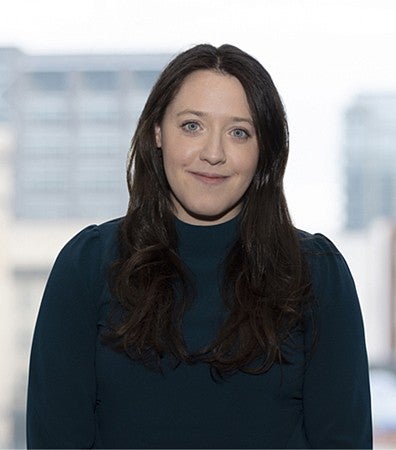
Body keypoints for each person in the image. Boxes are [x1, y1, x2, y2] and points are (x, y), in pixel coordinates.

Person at [26, 44, 372, 449]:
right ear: (157, 132)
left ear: (265, 152)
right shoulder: (86, 266)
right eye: (192, 126)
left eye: (239, 132)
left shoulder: (316, 273)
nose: (213, 153)